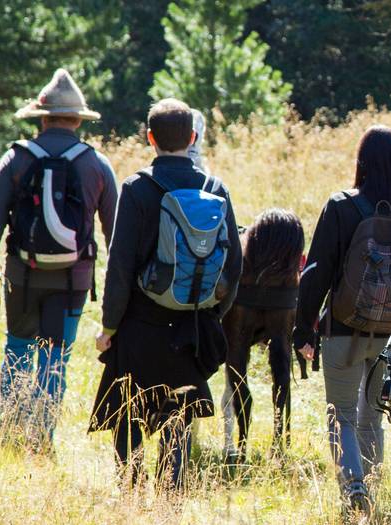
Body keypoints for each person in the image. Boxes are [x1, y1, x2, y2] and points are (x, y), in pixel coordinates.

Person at [88, 98, 242, 488]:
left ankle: (131, 492)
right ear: (192, 138)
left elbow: (119, 266)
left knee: (128, 415)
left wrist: (109, 326)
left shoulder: (138, 188)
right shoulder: (215, 188)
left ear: (150, 138)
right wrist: (209, 315)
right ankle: (170, 495)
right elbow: (234, 267)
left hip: (140, 323)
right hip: (191, 325)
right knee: (178, 418)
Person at [0, 68, 118, 453]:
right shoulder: (97, 165)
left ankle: (9, 435)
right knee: (54, 358)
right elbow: (115, 235)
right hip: (74, 281)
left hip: (22, 276)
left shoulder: (16, 159)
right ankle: (42, 439)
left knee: (18, 349)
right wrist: (119, 299)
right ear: (79, 120)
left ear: (42, 116)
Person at [294, 125, 391, 513]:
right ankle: (370, 483)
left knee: (340, 413)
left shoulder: (341, 206)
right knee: (372, 414)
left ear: (362, 162)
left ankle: (355, 487)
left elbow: (316, 272)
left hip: (342, 329)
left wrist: (304, 327)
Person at [220, 209, 306, 463]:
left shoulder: (245, 264)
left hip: (243, 300)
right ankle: (280, 439)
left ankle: (242, 441)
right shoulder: (288, 273)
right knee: (281, 369)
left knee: (237, 368)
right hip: (282, 302)